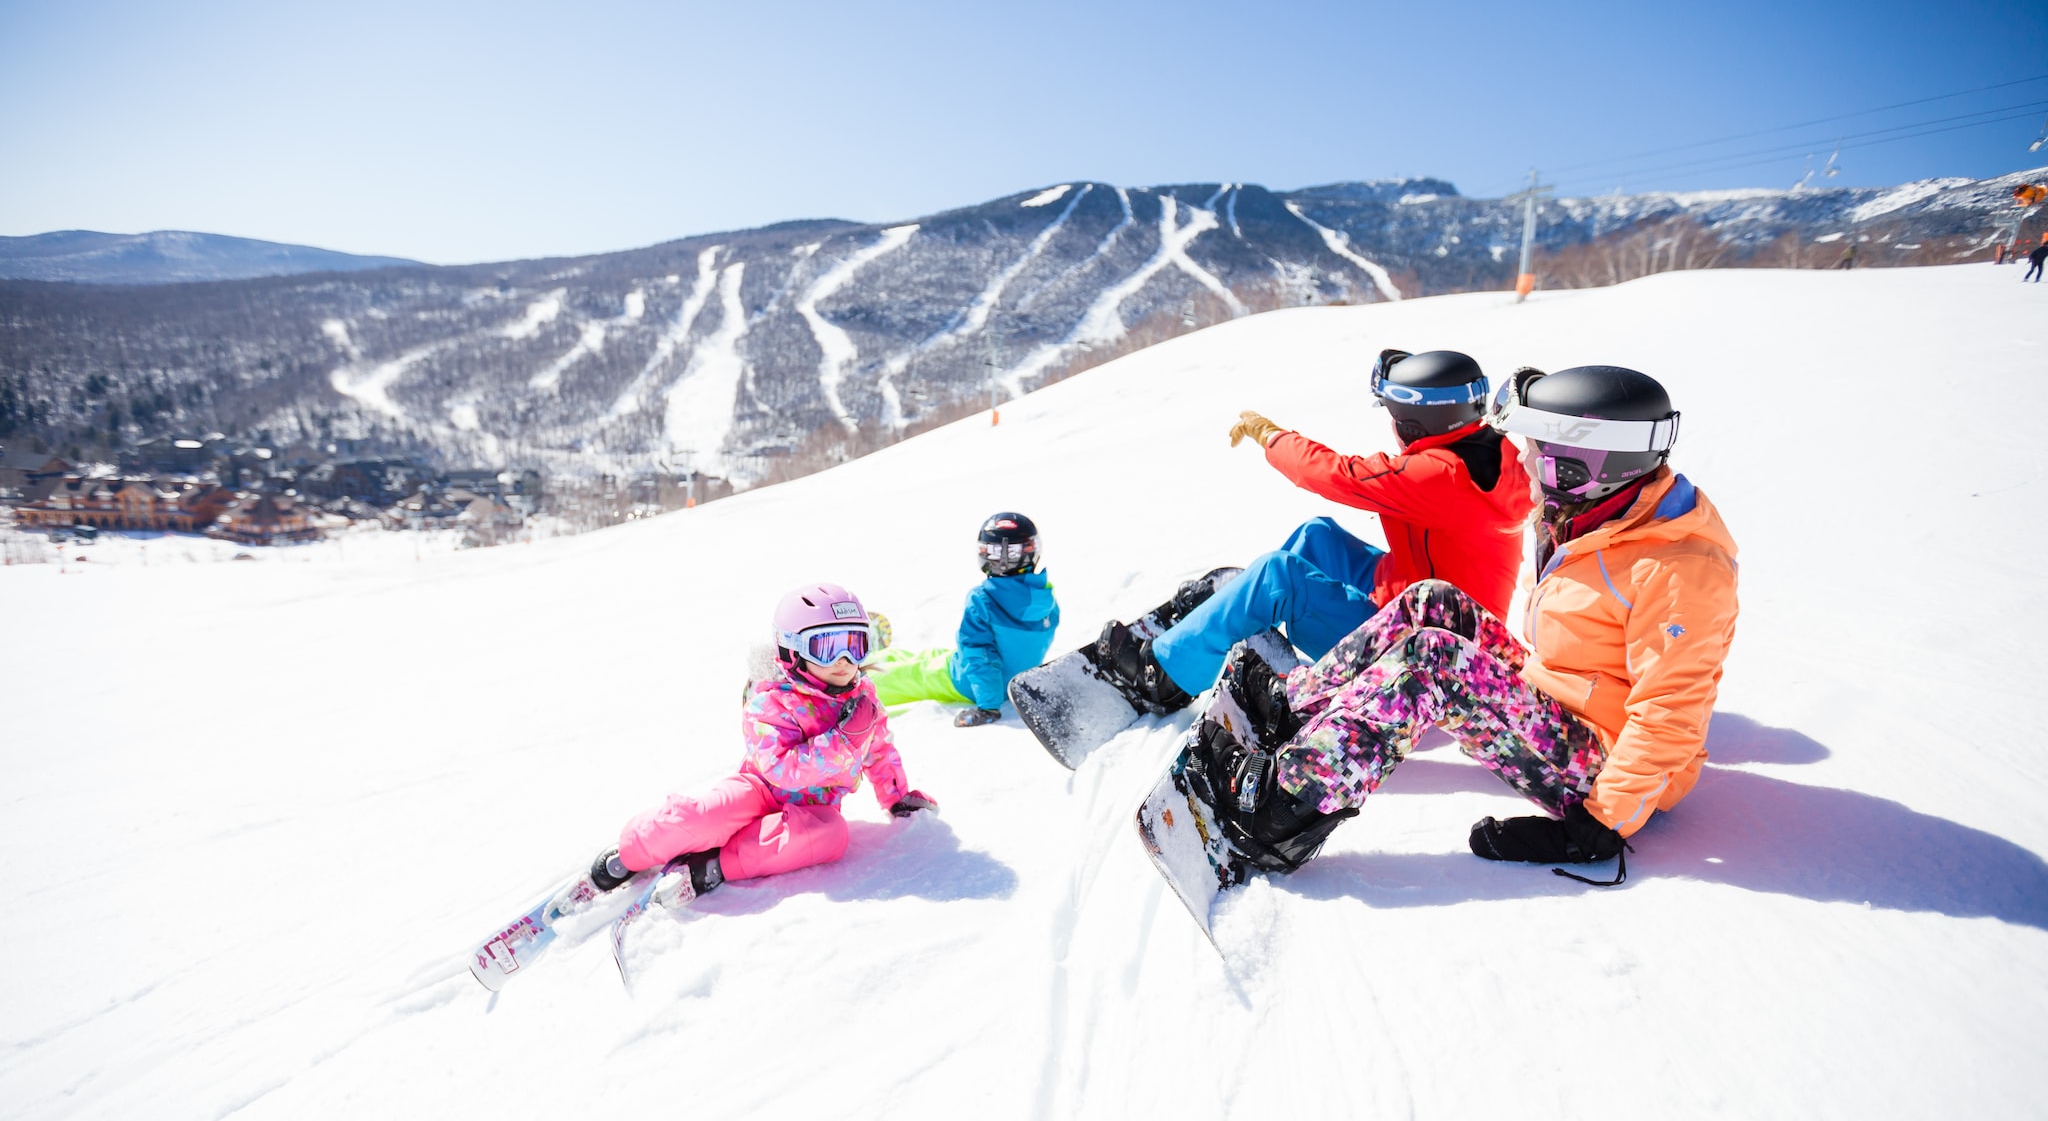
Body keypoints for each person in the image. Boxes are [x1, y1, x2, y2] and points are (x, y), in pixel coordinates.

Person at [1186, 364, 1738, 885]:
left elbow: (1672, 712)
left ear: (1593, 465)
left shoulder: (1679, 570)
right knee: (1434, 601)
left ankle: (1281, 809)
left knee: (1435, 662)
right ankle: (1296, 708)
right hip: (1564, 697)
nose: (1524, 464)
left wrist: (1600, 823)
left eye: (1540, 453)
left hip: (1604, 762)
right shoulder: (1604, 516)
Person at [1094, 349, 1533, 711]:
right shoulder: (1488, 452)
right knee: (1316, 536)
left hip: (1416, 655)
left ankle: (1165, 676)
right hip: (1427, 606)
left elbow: (1339, 476)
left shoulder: (1439, 476)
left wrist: (1271, 437)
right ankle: (1231, 618)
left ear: (1415, 421)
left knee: (1278, 576)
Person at [582, 582, 937, 908]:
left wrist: (895, 796)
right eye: (828, 648)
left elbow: (879, 749)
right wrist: (843, 741)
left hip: (815, 807)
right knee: (707, 816)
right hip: (759, 789)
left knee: (832, 837)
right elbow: (780, 769)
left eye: (854, 645)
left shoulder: (863, 699)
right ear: (792, 650)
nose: (844, 661)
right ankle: (632, 853)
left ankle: (717, 864)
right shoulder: (769, 700)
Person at [866, 511, 1060, 727]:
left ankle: (852, 678)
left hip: (970, 683)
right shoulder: (1045, 597)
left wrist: (988, 706)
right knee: (928, 655)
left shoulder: (983, 598)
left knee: (910, 675)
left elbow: (980, 654)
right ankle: (876, 654)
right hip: (1006, 679)